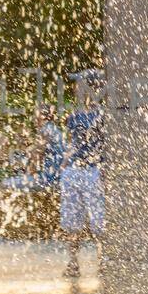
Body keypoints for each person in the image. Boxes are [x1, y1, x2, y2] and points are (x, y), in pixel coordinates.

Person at [59, 70, 105, 279]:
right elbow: (74, 143)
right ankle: (73, 263)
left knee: (99, 224)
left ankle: (103, 262)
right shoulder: (75, 114)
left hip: (94, 171)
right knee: (71, 223)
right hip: (74, 171)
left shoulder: (103, 115)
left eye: (79, 84)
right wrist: (65, 163)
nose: (75, 88)